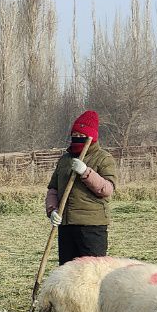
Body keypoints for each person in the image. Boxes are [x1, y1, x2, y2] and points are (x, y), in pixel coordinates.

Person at [45, 109, 116, 264]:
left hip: (92, 227)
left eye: (81, 137)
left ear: (92, 137)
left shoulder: (103, 158)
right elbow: (53, 189)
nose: (77, 139)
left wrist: (86, 172)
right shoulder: (65, 160)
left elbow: (107, 189)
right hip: (66, 225)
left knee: (91, 273)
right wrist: (52, 210)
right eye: (74, 136)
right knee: (67, 273)